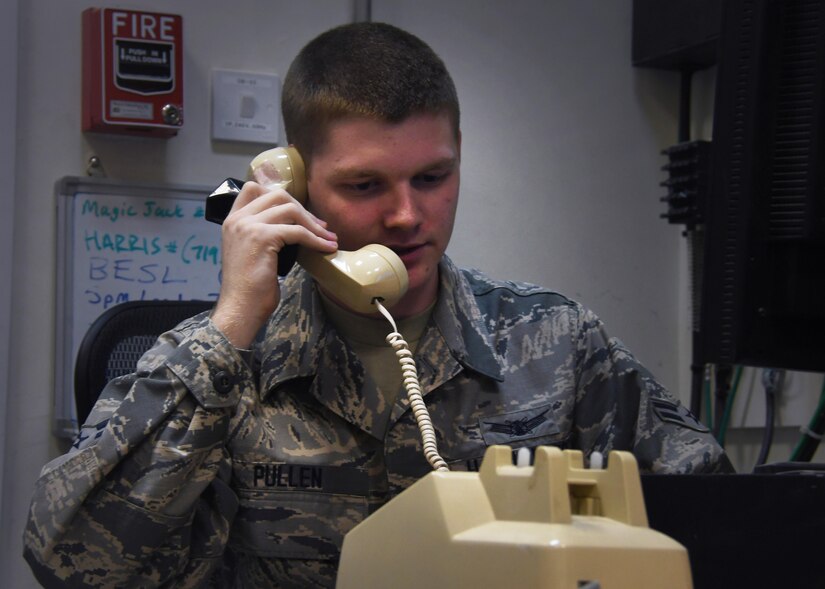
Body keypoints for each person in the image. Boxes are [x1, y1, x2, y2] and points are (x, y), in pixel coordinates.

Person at [24, 21, 732, 588]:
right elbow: (73, 562)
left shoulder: (554, 342)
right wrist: (233, 322)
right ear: (293, 186)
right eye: (364, 185)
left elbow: (718, 523)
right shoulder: (230, 360)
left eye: (432, 176)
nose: (405, 215)